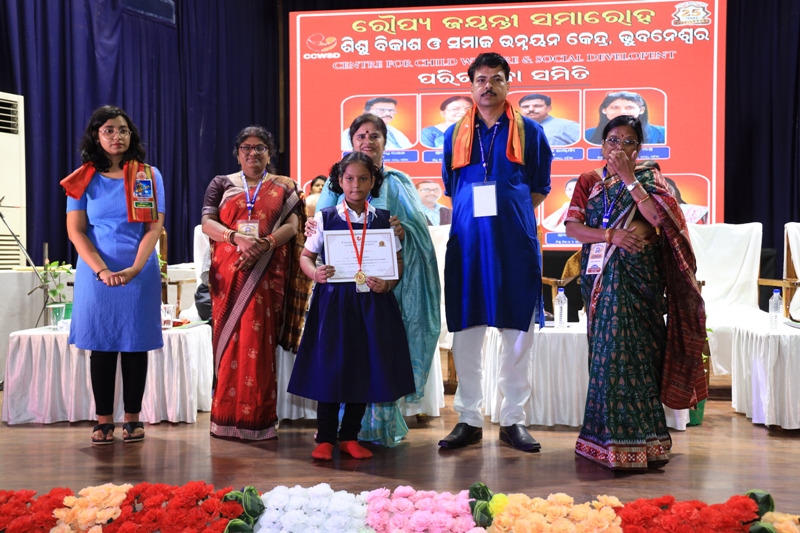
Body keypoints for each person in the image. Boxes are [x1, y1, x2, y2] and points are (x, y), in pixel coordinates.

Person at [564, 115, 706, 470]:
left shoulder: (650, 178)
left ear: (638, 148)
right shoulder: (589, 181)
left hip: (641, 281)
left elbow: (658, 220)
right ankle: (602, 442)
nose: (619, 147)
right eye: (613, 140)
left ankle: (648, 443)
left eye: (628, 141)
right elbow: (573, 228)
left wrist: (629, 179)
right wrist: (610, 235)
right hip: (601, 277)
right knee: (608, 357)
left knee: (639, 358)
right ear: (602, 145)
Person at [439, 52, 552, 452]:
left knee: (517, 334)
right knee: (467, 334)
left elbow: (539, 187)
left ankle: (513, 419)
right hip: (469, 245)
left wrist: (508, 213)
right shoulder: (454, 134)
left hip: (513, 244)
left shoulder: (530, 132)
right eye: (481, 79)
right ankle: (468, 419)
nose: (488, 86)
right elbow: (452, 189)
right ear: (471, 86)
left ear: (507, 83)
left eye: (496, 79)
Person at [313, 113, 440, 447]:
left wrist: (402, 230)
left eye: (375, 136)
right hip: (342, 294)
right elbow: (319, 229)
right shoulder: (338, 179)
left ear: (386, 141)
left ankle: (373, 429)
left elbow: (418, 231)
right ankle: (333, 432)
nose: (367, 141)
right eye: (361, 136)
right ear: (352, 141)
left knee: (375, 358)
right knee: (343, 357)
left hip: (385, 291)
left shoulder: (398, 181)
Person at [288, 152, 416, 460]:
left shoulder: (385, 219)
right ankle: (325, 437)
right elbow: (306, 257)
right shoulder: (325, 218)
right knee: (331, 366)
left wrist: (389, 284)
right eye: (349, 178)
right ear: (339, 181)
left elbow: (397, 261)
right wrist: (315, 273)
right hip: (334, 304)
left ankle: (349, 437)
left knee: (364, 366)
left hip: (373, 304)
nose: (356, 184)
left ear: (373, 182)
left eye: (363, 178)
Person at [62, 105, 165, 445]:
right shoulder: (82, 178)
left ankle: (133, 418)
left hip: (139, 271)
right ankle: (103, 419)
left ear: (131, 134)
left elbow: (153, 228)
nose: (116, 136)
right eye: (108, 130)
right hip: (96, 274)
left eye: (122, 130)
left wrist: (135, 267)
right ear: (96, 136)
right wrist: (102, 270)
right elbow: (76, 231)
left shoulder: (148, 175)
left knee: (135, 345)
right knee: (101, 346)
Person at [201, 125, 310, 440]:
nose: (253, 153)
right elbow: (207, 222)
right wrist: (235, 237)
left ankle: (258, 421)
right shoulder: (221, 183)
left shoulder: (284, 186)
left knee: (259, 346)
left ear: (269, 153)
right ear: (237, 154)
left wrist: (266, 243)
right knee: (228, 344)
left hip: (267, 273)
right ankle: (225, 418)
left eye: (260, 147)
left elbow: (293, 225)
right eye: (246, 148)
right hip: (229, 274)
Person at [585, 91, 665, 145]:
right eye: (615, 107)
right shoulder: (588, 134)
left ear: (641, 110)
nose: (622, 112)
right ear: (604, 110)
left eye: (629, 108)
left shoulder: (662, 133)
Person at [341, 97, 413, 151]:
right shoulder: (350, 133)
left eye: (391, 110)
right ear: (366, 112)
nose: (387, 113)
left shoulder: (395, 132)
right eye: (381, 110)